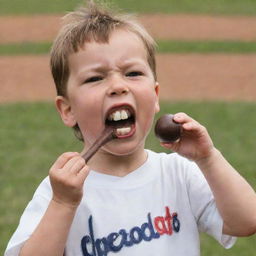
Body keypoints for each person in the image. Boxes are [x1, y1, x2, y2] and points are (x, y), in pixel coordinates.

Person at [5, 1, 256, 255]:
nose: (117, 86)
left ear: (155, 95)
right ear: (68, 110)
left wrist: (208, 158)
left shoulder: (178, 174)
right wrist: (63, 203)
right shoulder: (60, 191)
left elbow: (247, 221)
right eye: (95, 78)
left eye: (133, 73)